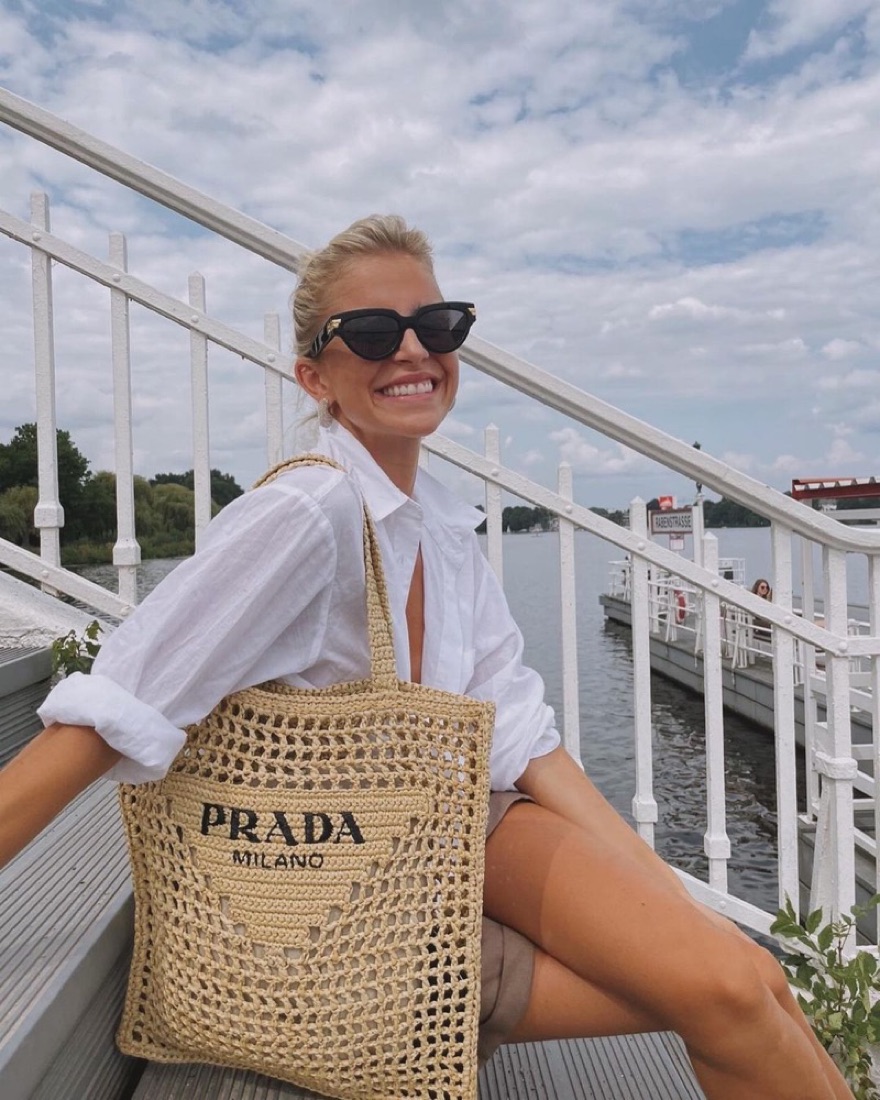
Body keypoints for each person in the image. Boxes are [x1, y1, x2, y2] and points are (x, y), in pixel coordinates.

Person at [0, 216, 852, 1099]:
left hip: (434, 841)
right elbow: (115, 705)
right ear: (314, 377)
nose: (412, 350)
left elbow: (521, 740)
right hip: (327, 889)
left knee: (749, 972)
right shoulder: (308, 514)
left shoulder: (440, 527)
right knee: (732, 993)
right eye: (372, 332)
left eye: (436, 325)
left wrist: (671, 901)